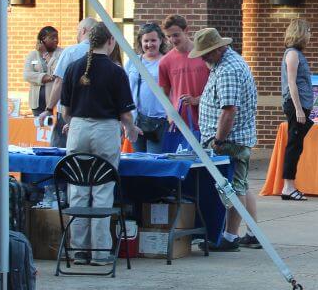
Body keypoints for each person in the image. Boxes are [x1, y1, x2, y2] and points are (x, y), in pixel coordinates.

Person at [59, 23, 140, 265]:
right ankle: (100, 252)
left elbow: (65, 111)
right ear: (111, 42)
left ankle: (78, 251)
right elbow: (125, 114)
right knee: (103, 190)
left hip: (78, 128)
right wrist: (131, 129)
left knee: (79, 188)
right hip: (105, 129)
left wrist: (75, 123)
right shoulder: (115, 71)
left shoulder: (74, 67)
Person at [193, 28, 261, 249]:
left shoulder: (228, 70)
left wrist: (219, 140)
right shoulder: (224, 64)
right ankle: (252, 232)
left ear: (219, 48)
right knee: (240, 184)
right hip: (236, 138)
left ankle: (230, 236)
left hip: (229, 141)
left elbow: (229, 109)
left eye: (206, 53)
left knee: (232, 187)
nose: (203, 58)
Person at [44, 17, 98, 148]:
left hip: (69, 112)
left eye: (77, 30)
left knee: (60, 152)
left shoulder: (70, 52)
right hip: (96, 114)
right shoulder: (104, 53)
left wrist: (49, 108)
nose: (77, 34)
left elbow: (59, 82)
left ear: (83, 30)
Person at [281, 18, 314, 201]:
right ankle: (288, 187)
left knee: (297, 145)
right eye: (308, 30)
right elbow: (291, 83)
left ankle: (289, 186)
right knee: (294, 145)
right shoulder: (292, 54)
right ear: (300, 32)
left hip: (302, 105)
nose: (310, 34)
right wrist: (299, 109)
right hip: (296, 106)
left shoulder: (298, 54)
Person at [158, 14, 210, 132]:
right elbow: (164, 95)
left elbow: (217, 88)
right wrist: (170, 115)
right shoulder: (165, 62)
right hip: (181, 124)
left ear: (186, 30)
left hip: (208, 120)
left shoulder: (205, 55)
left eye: (176, 35)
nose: (173, 40)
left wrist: (198, 100)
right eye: (168, 36)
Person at [126, 23, 167, 153]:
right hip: (135, 121)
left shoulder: (166, 61)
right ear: (140, 42)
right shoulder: (133, 61)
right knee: (138, 160)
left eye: (153, 40)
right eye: (146, 41)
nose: (149, 44)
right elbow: (124, 88)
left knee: (154, 161)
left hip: (159, 121)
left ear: (161, 40)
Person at [23, 26, 62, 117]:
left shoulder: (62, 53)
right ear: (43, 39)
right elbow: (27, 75)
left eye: (57, 37)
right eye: (52, 37)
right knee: (40, 129)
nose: (56, 40)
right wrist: (46, 77)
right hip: (37, 104)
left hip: (56, 104)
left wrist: (46, 55)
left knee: (55, 129)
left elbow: (59, 70)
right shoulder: (32, 55)